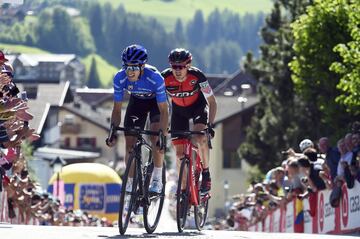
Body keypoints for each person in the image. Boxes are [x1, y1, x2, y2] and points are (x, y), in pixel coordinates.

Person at [106, 44, 169, 194]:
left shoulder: (155, 78)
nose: (130, 71)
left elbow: (164, 111)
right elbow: (116, 109)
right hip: (137, 103)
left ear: (142, 66)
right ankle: (130, 186)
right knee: (129, 145)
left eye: (133, 67)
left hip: (156, 104)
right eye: (126, 67)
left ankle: (157, 179)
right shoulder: (119, 78)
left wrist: (163, 135)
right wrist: (112, 133)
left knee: (155, 139)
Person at [161, 48, 217, 194]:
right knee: (179, 155)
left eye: (181, 67)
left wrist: (210, 125)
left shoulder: (197, 76)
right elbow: (159, 104)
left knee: (200, 137)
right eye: (174, 66)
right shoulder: (164, 78)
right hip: (178, 112)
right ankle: (185, 191)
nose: (177, 70)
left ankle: (205, 173)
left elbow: (212, 101)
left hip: (198, 108)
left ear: (188, 66)